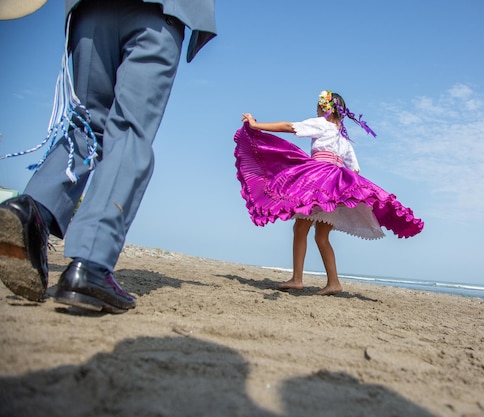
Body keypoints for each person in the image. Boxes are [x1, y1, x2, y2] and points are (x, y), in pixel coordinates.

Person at [0, 0, 217, 313]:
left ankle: (31, 211)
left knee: (86, 127)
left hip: (90, 9)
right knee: (129, 132)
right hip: (157, 11)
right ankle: (91, 261)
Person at [236, 90, 424, 296]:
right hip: (335, 188)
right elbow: (355, 170)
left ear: (326, 109)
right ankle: (333, 282)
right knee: (322, 237)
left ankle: (298, 278)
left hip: (318, 182)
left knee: (300, 228)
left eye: (319, 106)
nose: (316, 109)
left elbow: (291, 127)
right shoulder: (343, 139)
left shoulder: (322, 124)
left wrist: (255, 125)